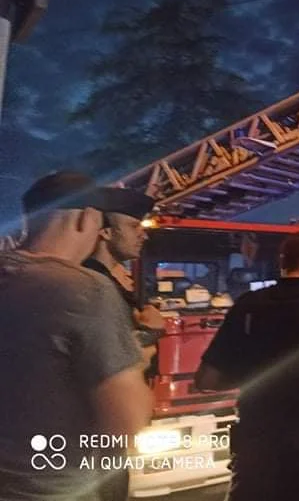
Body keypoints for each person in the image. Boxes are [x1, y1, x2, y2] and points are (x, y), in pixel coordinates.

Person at [0, 171, 153, 500]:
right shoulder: (85, 290)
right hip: (48, 489)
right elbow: (127, 423)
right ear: (86, 219)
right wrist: (139, 360)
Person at [195, 230, 299, 501]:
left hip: (255, 440)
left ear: (281, 262)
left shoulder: (248, 305)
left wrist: (254, 377)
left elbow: (206, 380)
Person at [80, 186, 164, 501]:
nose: (143, 234)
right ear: (105, 232)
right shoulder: (94, 285)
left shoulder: (105, 281)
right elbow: (104, 356)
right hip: (94, 432)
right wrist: (151, 332)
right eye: (132, 226)